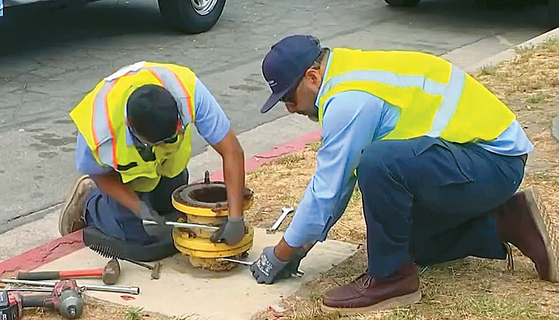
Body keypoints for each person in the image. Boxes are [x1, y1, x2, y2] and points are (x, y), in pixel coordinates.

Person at [249, 35, 558, 313]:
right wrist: (301, 245)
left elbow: (329, 189)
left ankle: (390, 278)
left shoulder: (348, 100)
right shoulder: (346, 70)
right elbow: (336, 190)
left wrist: (281, 253)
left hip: (494, 162)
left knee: (378, 163)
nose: (290, 109)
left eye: (289, 98)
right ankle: (506, 220)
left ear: (313, 77)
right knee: (400, 240)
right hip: (479, 162)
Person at [59, 61, 247, 256]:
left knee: (174, 216)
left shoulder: (187, 90)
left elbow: (232, 150)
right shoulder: (98, 127)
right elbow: (101, 175)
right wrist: (138, 208)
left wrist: (235, 218)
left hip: (167, 169)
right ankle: (88, 202)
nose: (162, 146)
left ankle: (153, 198)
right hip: (123, 179)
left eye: (170, 139)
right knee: (139, 238)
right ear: (130, 126)